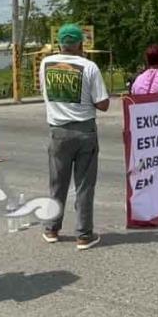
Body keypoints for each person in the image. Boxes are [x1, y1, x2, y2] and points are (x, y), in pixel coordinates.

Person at [40, 23, 109, 250]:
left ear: (60, 43)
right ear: (80, 43)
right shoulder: (89, 66)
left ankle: (51, 228)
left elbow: (46, 93)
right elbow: (103, 104)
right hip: (84, 131)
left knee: (57, 183)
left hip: (57, 131)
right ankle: (83, 235)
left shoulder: (46, 64)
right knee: (84, 185)